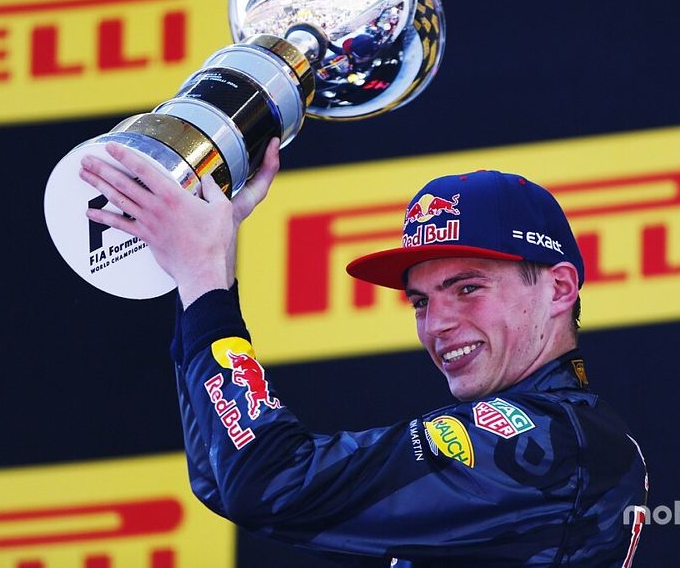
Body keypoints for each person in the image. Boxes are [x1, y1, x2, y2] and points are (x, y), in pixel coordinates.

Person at [79, 139, 648, 567]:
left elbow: (270, 482)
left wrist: (203, 278)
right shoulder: (554, 434)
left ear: (559, 288)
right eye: (420, 301)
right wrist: (206, 275)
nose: (438, 324)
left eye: (468, 288)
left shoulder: (552, 439)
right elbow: (223, 475)